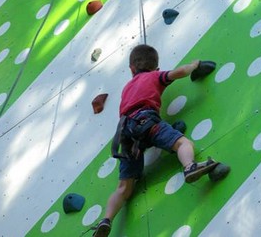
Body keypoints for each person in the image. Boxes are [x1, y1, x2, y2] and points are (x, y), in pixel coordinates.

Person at [93, 44, 218, 237]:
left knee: (124, 187)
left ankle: (106, 219)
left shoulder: (127, 88)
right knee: (183, 144)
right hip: (147, 122)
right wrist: (194, 65)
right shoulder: (154, 76)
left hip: (126, 134)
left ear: (131, 69)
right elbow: (179, 72)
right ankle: (189, 167)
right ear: (156, 68)